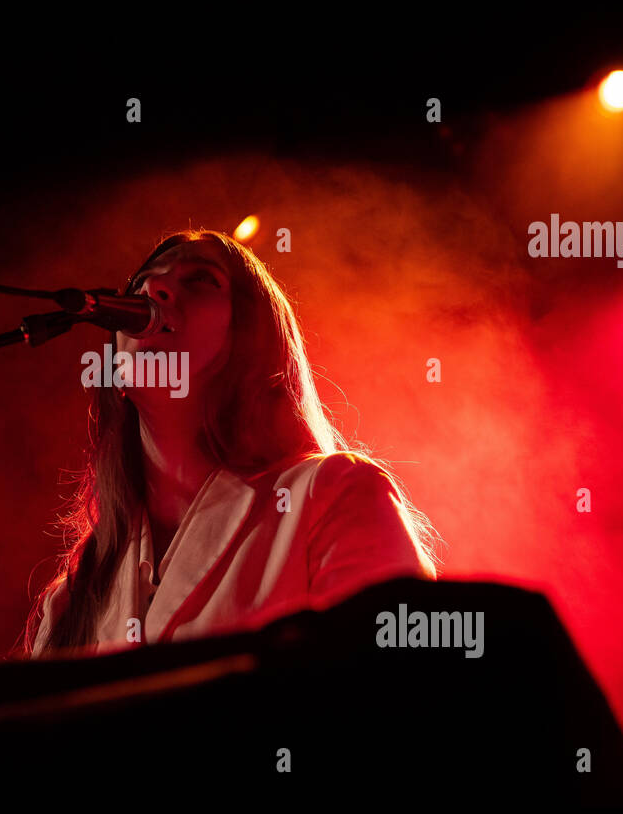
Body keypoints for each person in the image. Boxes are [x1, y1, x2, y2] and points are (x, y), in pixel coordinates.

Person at [24, 229, 440, 658]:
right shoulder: (72, 598)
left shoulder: (334, 495)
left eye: (201, 280)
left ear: (254, 338)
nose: (153, 288)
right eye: (140, 283)